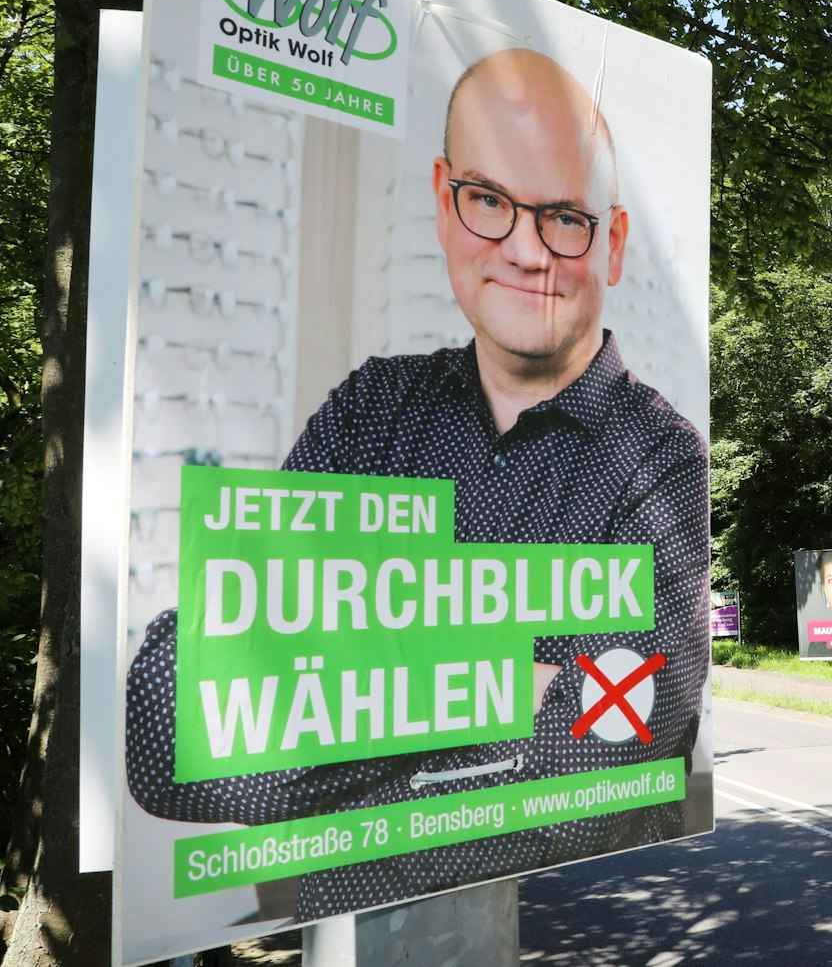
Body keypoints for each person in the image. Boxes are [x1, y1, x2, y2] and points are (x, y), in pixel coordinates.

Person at [124, 48, 709, 921]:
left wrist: (348, 689)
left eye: (564, 217)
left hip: (568, 935)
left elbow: (603, 767)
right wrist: (522, 685)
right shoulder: (370, 411)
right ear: (443, 201)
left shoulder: (662, 459)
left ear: (613, 242)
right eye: (489, 200)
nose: (526, 251)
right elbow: (172, 715)